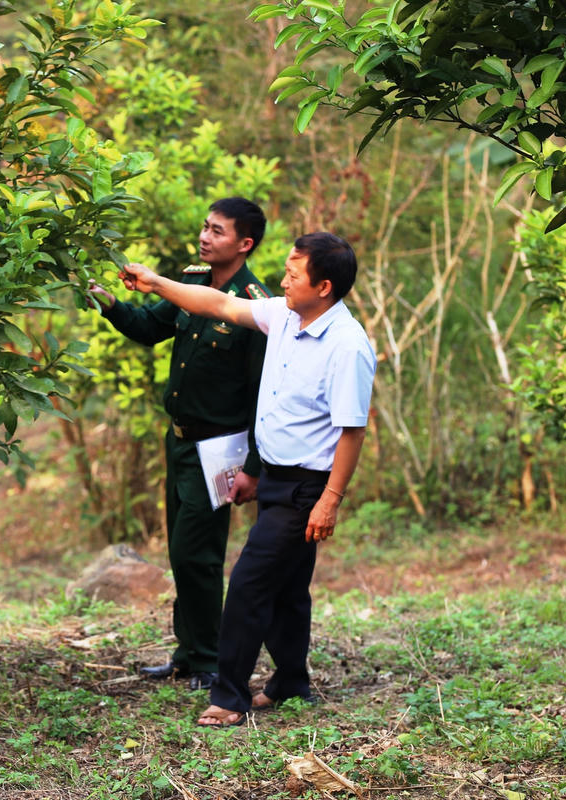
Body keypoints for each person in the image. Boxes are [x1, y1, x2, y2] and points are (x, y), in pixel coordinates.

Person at [118, 232, 375, 725]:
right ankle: (291, 681)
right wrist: (155, 285)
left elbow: (352, 431)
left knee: (248, 586)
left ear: (323, 286)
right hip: (276, 477)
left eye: (293, 275)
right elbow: (216, 302)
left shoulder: (347, 346)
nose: (282, 280)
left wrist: (330, 500)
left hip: (306, 487)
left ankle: (229, 695)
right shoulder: (284, 315)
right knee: (287, 590)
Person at [90, 197, 272, 690]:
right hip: (180, 442)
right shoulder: (191, 281)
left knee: (200, 554)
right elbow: (152, 328)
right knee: (181, 552)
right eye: (204, 226)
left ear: (244, 243)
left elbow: (261, 393)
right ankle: (189, 653)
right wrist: (110, 303)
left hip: (220, 449)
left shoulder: (254, 305)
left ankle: (210, 657)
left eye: (217, 231)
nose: (205, 236)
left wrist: (254, 465)